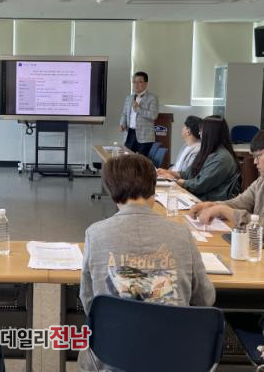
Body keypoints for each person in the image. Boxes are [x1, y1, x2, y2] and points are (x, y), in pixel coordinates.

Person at [79, 153, 215, 371]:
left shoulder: (95, 234)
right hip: (175, 356)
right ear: (154, 188)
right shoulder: (181, 234)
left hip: (113, 356)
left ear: (112, 192)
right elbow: (204, 299)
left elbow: (89, 301)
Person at [158, 115, 240, 201]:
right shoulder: (209, 151)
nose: (200, 134)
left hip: (207, 202)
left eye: (202, 131)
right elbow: (189, 173)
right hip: (198, 197)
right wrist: (169, 173)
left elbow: (199, 185)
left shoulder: (222, 158)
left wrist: (173, 180)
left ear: (210, 133)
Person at [119, 71, 159, 156]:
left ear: (146, 83)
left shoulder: (152, 98)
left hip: (145, 137)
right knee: (127, 160)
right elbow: (124, 114)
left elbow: (153, 115)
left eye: (139, 82)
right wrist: (122, 123)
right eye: (134, 82)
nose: (136, 84)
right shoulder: (129, 98)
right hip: (129, 134)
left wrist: (138, 109)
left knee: (140, 161)